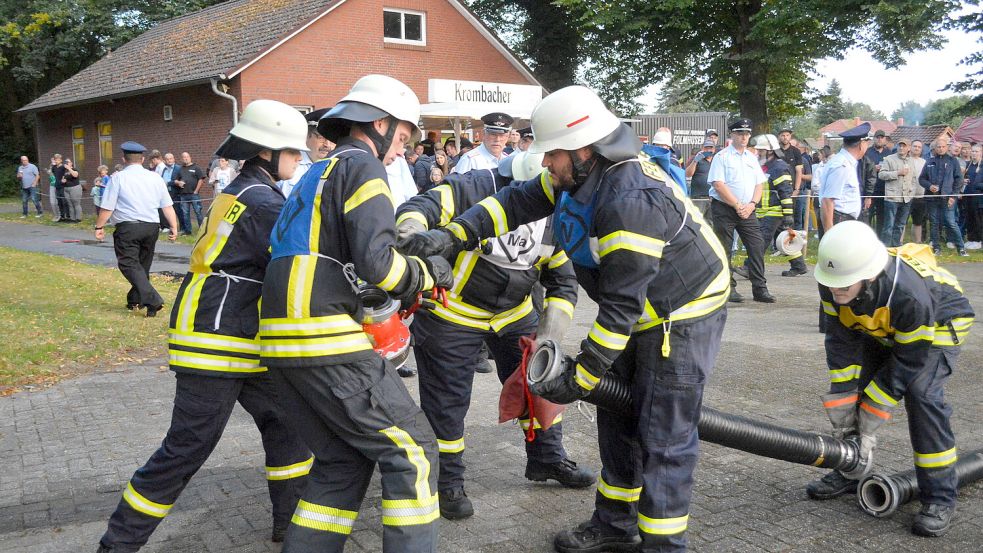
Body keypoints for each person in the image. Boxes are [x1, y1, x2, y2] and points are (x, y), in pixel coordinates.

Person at [400, 84, 730, 553]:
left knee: (664, 435)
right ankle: (615, 524)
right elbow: (513, 203)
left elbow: (619, 309)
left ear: (582, 148)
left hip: (682, 316)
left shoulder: (629, 200)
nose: (546, 163)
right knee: (617, 416)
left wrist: (585, 374)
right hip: (640, 312)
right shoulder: (582, 175)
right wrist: (451, 237)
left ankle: (662, 544)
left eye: (551, 153)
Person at [95, 101, 313, 553]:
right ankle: (117, 544)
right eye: (294, 149)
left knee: (286, 424)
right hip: (218, 337)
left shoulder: (243, 190)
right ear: (268, 151)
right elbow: (296, 265)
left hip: (236, 331)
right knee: (188, 447)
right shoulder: (265, 202)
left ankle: (290, 526)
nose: (301, 156)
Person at [258, 74, 451, 553]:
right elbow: (378, 263)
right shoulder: (364, 167)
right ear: (380, 124)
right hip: (325, 341)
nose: (400, 154)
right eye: (402, 140)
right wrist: (428, 274)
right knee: (414, 453)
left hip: (283, 344)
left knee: (342, 460)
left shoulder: (316, 172)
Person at [395, 151, 593, 521]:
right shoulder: (474, 187)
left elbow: (563, 283)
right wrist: (414, 243)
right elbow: (416, 208)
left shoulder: (558, 212)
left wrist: (547, 340)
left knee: (542, 388)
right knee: (447, 402)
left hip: (514, 312)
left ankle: (548, 460)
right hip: (452, 312)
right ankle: (448, 482)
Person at [807, 220, 973, 538]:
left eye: (844, 286)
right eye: (832, 285)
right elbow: (841, 341)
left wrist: (875, 404)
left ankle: (939, 497)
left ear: (868, 276)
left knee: (922, 395)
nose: (835, 291)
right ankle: (850, 468)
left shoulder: (911, 295)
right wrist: (844, 397)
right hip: (883, 327)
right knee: (859, 391)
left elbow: (909, 360)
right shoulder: (832, 279)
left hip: (938, 325)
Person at [92, 142, 178, 316]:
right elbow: (167, 205)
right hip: (151, 227)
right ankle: (135, 300)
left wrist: (99, 226)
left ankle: (153, 300)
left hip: (128, 227)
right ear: (143, 159)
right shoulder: (155, 177)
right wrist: (174, 226)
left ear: (124, 159)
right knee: (142, 265)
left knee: (129, 264)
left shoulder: (118, 178)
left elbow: (107, 206)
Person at [708, 118, 774, 303]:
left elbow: (759, 184)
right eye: (740, 133)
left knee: (757, 246)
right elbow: (718, 185)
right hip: (725, 208)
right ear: (732, 135)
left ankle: (760, 289)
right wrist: (737, 205)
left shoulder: (752, 158)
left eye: (746, 133)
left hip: (748, 208)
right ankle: (728, 288)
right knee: (724, 248)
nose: (744, 137)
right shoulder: (722, 157)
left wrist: (752, 204)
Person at [745, 134, 807, 277]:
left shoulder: (779, 167)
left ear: (770, 151)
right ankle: (799, 265)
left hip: (775, 211)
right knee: (784, 238)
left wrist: (788, 214)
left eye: (761, 150)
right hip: (767, 211)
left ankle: (749, 268)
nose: (758, 153)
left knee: (760, 241)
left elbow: (785, 192)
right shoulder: (766, 167)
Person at [919, 136, 967, 256]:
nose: (941, 149)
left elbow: (959, 180)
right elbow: (921, 179)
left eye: (943, 146)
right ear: (935, 148)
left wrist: (953, 196)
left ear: (947, 147)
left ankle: (961, 248)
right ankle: (936, 247)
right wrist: (929, 186)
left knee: (951, 222)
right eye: (938, 147)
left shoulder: (953, 161)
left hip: (948, 198)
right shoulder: (929, 162)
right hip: (932, 198)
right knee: (934, 223)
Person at [819, 123, 870, 234]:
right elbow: (827, 200)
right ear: (861, 144)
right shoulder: (841, 165)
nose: (867, 147)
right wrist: (830, 234)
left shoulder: (846, 163)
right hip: (839, 220)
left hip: (844, 221)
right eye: (867, 143)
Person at [276, 107, 334, 198]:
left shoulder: (338, 166)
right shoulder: (287, 163)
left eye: (332, 139)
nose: (327, 144)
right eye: (321, 137)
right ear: (306, 136)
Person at [878, 137, 919, 247]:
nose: (901, 147)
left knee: (900, 224)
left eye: (904, 146)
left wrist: (911, 193)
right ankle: (886, 247)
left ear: (909, 148)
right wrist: (897, 173)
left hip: (906, 198)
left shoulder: (911, 161)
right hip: (892, 198)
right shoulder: (889, 159)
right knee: (889, 225)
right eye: (900, 145)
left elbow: (914, 179)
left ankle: (896, 246)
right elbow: (881, 175)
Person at [171, 152, 207, 235]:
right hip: (183, 195)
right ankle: (188, 231)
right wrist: (178, 182)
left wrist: (196, 191)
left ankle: (202, 231)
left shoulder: (196, 167)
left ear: (190, 157)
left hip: (194, 195)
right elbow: (175, 180)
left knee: (198, 212)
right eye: (184, 157)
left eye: (187, 157)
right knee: (185, 214)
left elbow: (201, 179)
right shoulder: (180, 169)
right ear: (181, 159)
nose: (185, 158)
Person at [685, 139, 715, 216]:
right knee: (697, 220)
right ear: (702, 149)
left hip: (713, 198)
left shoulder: (716, 160)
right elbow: (688, 174)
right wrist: (695, 161)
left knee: (711, 224)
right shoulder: (698, 159)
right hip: (698, 197)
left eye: (710, 148)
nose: (708, 150)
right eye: (706, 148)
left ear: (714, 149)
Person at [910, 140, 928, 243]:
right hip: (907, 196)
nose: (916, 148)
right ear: (910, 147)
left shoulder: (924, 162)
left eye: (919, 147)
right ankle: (899, 243)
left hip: (921, 196)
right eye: (915, 146)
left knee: (918, 222)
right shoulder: (906, 160)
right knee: (902, 222)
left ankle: (917, 242)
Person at [964, 144, 983, 250]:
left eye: (977, 151)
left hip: (979, 198)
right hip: (968, 196)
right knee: (969, 218)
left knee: (978, 219)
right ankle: (971, 239)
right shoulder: (968, 165)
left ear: (981, 152)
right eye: (973, 151)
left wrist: (977, 185)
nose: (974, 153)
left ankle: (979, 240)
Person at [50, 154, 71, 222]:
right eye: (55, 160)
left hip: (63, 186)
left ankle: (67, 216)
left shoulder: (63, 167)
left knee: (64, 201)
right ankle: (62, 216)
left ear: (61, 160)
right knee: (59, 202)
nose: (56, 161)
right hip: (57, 186)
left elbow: (68, 171)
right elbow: (52, 172)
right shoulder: (54, 167)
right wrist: (52, 164)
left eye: (58, 160)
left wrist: (64, 178)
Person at [61, 158, 82, 222]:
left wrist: (69, 168)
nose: (67, 163)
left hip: (74, 188)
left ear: (71, 163)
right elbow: (63, 179)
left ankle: (78, 218)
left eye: (68, 162)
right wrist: (63, 181)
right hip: (66, 188)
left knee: (76, 203)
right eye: (66, 162)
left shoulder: (74, 169)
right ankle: (72, 218)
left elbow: (75, 175)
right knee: (70, 204)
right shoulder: (65, 171)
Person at [46, 155, 61, 220]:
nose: (53, 161)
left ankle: (60, 215)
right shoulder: (51, 167)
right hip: (52, 186)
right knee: (52, 202)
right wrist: (49, 171)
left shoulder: (59, 167)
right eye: (52, 160)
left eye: (54, 160)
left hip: (58, 186)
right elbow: (50, 175)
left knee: (58, 202)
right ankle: (56, 215)